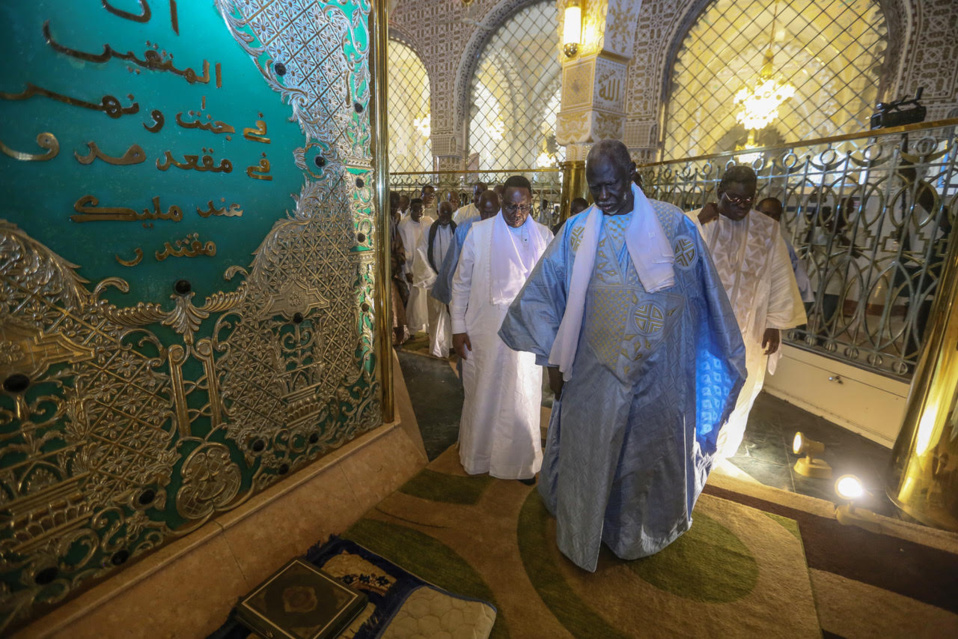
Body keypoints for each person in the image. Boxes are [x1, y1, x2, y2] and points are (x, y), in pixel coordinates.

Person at [499, 140, 746, 572]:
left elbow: (704, 299)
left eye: (611, 184)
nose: (604, 196)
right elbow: (538, 297)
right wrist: (556, 355)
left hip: (660, 379)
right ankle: (584, 526)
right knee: (593, 453)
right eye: (596, 188)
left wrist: (698, 354)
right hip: (595, 375)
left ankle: (632, 534)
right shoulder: (577, 231)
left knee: (644, 461)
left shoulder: (675, 226)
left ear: (632, 172)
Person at [687, 166, 806, 460]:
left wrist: (775, 323)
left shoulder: (767, 230)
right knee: (697, 386)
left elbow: (779, 275)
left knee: (738, 388)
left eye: (747, 199)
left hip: (745, 330)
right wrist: (698, 224)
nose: (741, 205)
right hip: (701, 329)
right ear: (719, 193)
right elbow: (673, 258)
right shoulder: (697, 220)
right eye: (733, 199)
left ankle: (721, 449)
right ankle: (688, 442)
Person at [451, 176, 554, 482]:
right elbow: (461, 284)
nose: (516, 212)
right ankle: (478, 458)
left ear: (531, 202)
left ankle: (520, 463)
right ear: (501, 201)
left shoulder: (545, 236)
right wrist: (457, 328)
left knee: (522, 397)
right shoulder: (479, 234)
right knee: (483, 393)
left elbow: (550, 289)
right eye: (510, 205)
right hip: (485, 331)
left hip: (526, 336)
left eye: (522, 206)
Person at [432, 190, 501, 305]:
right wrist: (449, 296)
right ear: (479, 209)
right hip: (469, 291)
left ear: (499, 209)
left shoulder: (506, 229)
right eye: (485, 212)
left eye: (492, 213)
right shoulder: (465, 228)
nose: (488, 217)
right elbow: (452, 261)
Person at [412, 201, 457, 358]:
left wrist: (452, 277)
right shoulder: (428, 231)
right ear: (437, 212)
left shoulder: (456, 230)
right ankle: (436, 347)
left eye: (448, 214)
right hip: (434, 280)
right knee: (436, 314)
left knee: (453, 314)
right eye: (442, 213)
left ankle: (451, 346)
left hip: (452, 282)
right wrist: (433, 276)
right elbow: (421, 253)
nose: (445, 217)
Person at [756, 197, 814, 306]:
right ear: (756, 212)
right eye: (766, 214)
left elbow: (800, 280)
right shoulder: (741, 237)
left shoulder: (783, 245)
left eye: (775, 215)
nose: (770, 219)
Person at [398, 198, 433, 334]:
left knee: (426, 297)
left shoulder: (428, 222)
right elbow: (404, 249)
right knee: (414, 297)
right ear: (410, 209)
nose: (419, 212)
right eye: (416, 209)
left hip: (426, 267)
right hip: (410, 266)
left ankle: (427, 325)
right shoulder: (404, 225)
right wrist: (406, 271)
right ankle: (412, 329)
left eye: (421, 209)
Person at [388, 192, 409, 345]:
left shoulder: (394, 220)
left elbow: (397, 243)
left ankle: (397, 336)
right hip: (383, 269)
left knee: (397, 303)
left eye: (396, 205)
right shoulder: (378, 219)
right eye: (392, 205)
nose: (394, 208)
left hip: (393, 269)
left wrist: (398, 258)